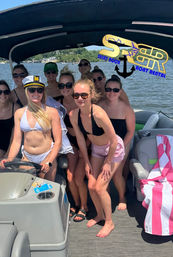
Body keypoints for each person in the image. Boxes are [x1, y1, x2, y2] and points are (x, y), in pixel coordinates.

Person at [69, 79, 125, 237]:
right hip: (96, 150)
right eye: (76, 95)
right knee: (92, 185)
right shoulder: (74, 115)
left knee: (100, 187)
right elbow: (80, 140)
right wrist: (86, 162)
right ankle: (99, 214)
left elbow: (114, 140)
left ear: (91, 94)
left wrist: (108, 162)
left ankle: (109, 222)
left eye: (84, 95)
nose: (80, 99)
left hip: (113, 149)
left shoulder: (99, 113)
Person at [0, 75, 62, 181]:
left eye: (39, 90)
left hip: (47, 156)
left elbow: (58, 142)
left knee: (45, 191)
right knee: (26, 188)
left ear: (43, 92)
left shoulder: (52, 112)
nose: (36, 94)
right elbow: (16, 141)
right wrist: (9, 159)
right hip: (27, 158)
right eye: (32, 90)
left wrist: (49, 161)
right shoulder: (19, 113)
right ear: (26, 91)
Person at [99, 75, 135, 210]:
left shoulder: (126, 109)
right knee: (102, 173)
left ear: (120, 92)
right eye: (108, 89)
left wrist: (123, 147)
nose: (111, 92)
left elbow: (130, 131)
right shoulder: (100, 106)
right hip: (103, 143)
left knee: (116, 174)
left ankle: (121, 197)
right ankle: (105, 196)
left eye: (115, 90)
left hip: (121, 144)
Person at [58, 67, 88, 222]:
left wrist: (85, 150)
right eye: (62, 85)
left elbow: (91, 131)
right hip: (71, 144)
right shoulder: (57, 104)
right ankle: (75, 205)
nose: (65, 89)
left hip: (87, 144)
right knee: (69, 177)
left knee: (77, 178)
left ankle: (84, 207)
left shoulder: (81, 103)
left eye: (68, 85)